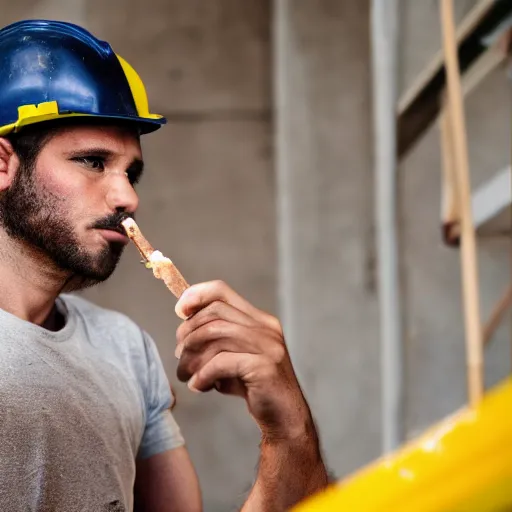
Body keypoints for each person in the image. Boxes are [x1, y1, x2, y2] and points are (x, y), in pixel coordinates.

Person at [0, 19, 329, 512]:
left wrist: (289, 432)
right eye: (92, 161)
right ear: (3, 165)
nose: (127, 196)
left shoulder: (125, 349)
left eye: (131, 172)